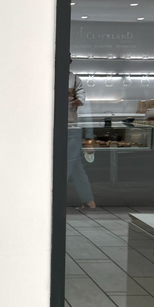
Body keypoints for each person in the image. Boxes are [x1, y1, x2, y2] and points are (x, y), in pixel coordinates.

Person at [68, 58, 96, 209]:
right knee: (76, 167)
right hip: (66, 129)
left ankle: (55, 199)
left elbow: (84, 108)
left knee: (65, 165)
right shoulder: (50, 77)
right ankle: (89, 201)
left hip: (72, 129)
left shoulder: (75, 80)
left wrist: (89, 138)